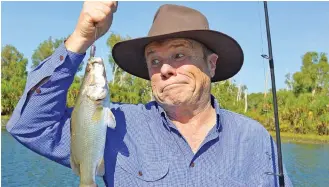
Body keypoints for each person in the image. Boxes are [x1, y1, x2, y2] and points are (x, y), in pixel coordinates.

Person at [6, 1, 293, 187]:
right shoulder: (117, 126)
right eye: (154, 61)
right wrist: (80, 40)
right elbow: (29, 125)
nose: (165, 68)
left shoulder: (254, 139)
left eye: (179, 54)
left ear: (212, 64)